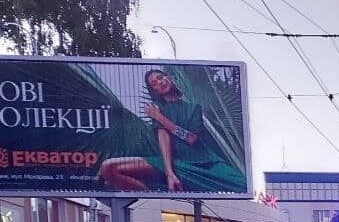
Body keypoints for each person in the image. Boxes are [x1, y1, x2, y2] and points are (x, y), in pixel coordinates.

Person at [99, 69, 246, 193]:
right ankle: (152, 198)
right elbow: (164, 141)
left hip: (205, 162)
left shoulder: (193, 107)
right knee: (109, 167)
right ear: (154, 90)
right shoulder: (158, 109)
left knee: (243, 184)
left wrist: (160, 118)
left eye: (160, 78)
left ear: (168, 78)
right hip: (172, 163)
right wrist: (169, 172)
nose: (159, 83)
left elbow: (191, 138)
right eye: (154, 84)